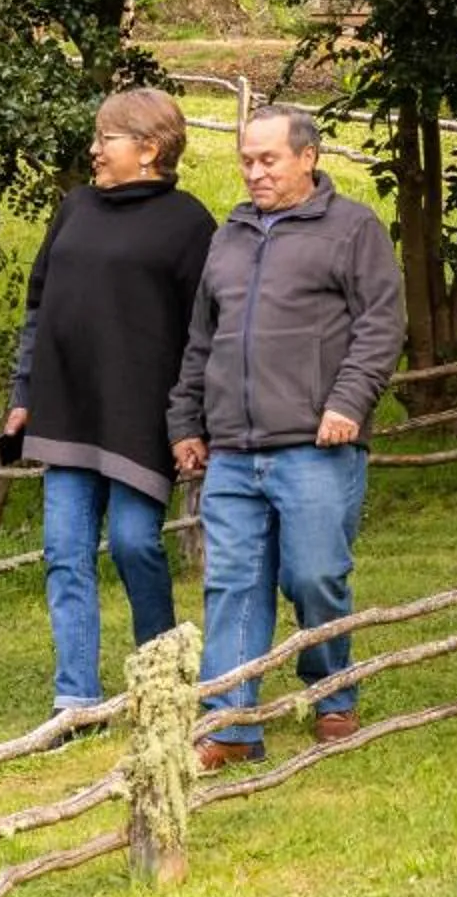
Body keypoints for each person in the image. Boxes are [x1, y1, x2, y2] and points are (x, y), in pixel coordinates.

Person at [167, 105, 403, 772]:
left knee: (314, 574)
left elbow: (380, 327)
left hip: (317, 445)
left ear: (308, 158)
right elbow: (202, 340)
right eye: (246, 160)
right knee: (233, 584)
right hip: (234, 452)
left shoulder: (353, 229)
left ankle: (331, 691)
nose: (254, 172)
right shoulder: (230, 235)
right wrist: (185, 421)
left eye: (268, 159)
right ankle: (233, 725)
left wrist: (348, 403)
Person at [4, 87, 218, 727]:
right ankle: (75, 699)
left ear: (149, 149)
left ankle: (163, 678)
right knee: (65, 552)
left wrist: (191, 420)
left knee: (131, 544)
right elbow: (39, 310)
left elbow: (205, 333)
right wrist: (22, 396)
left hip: (142, 418)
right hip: (65, 409)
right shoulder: (73, 209)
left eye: (107, 139)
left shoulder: (190, 225)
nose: (94, 150)